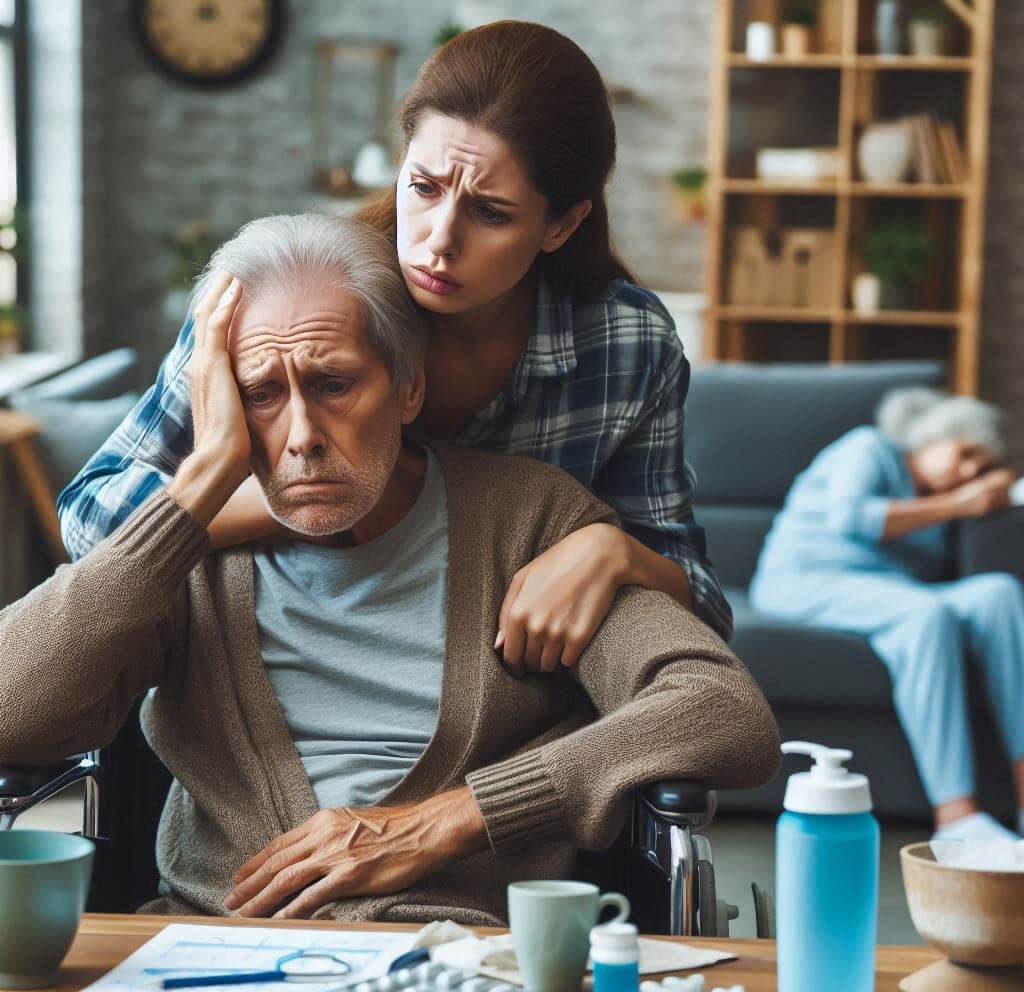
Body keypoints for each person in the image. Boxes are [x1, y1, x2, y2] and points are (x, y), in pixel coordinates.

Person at [1, 215, 779, 923]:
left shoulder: (530, 522)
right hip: (210, 957)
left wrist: (449, 821)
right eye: (261, 395)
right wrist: (203, 480)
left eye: (334, 383)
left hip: (455, 969)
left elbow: (723, 714)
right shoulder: (189, 560)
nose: (302, 433)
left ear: (408, 387)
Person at [57, 21, 732, 677]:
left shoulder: (627, 345)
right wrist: (301, 495)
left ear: (561, 223)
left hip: (507, 712)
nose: (439, 239)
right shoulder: (290, 300)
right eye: (424, 187)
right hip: (283, 682)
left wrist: (612, 551)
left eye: (490, 212)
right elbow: (90, 525)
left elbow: (700, 603)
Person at [750, 387, 1024, 842]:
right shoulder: (868, 447)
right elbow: (850, 518)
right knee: (927, 617)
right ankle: (958, 818)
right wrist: (965, 502)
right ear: (932, 438)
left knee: (998, 593)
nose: (973, 470)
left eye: (983, 464)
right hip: (809, 578)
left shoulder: (941, 498)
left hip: (890, 590)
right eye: (966, 452)